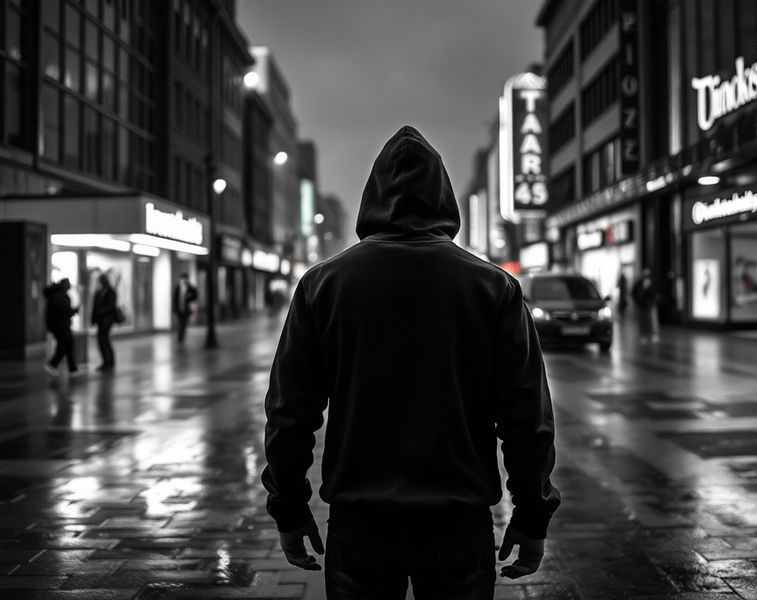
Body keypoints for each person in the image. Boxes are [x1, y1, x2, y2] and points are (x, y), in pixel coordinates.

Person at [262, 126, 560, 599]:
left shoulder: (323, 286)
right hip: (458, 522)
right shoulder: (492, 288)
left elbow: (289, 413)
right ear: (443, 196)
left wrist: (290, 508)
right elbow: (526, 417)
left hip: (360, 523)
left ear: (372, 196)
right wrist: (531, 513)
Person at [43, 278, 81, 377]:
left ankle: (73, 369)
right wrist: (74, 311)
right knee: (65, 345)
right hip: (60, 325)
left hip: (60, 325)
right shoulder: (58, 296)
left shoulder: (57, 295)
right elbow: (65, 311)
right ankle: (52, 364)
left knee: (67, 345)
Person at [91, 273, 117, 372]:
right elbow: (95, 306)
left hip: (107, 320)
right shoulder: (99, 292)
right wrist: (93, 319)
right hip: (100, 320)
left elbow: (111, 306)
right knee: (102, 341)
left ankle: (110, 362)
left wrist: (101, 311)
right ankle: (106, 362)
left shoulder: (110, 291)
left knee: (104, 340)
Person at [632, 268, 660, 342]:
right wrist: (638, 301)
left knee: (652, 320)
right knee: (642, 320)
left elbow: (655, 292)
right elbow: (634, 292)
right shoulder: (639, 283)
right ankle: (643, 335)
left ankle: (654, 334)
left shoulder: (652, 282)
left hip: (650, 304)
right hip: (642, 305)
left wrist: (652, 300)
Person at [172, 273, 198, 344]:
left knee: (183, 323)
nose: (184, 280)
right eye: (183, 278)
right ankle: (180, 337)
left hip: (186, 309)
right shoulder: (178, 287)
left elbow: (195, 296)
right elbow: (174, 298)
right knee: (180, 322)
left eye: (185, 278)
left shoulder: (190, 287)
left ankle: (181, 337)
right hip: (179, 308)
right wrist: (174, 308)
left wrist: (189, 297)